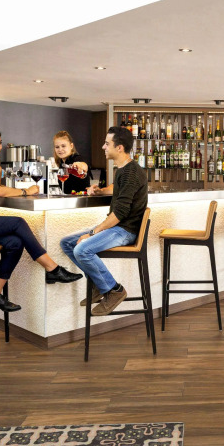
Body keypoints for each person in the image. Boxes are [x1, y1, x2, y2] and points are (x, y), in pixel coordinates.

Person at [0, 127, 83, 312]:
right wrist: (27, 190)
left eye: (0, 143)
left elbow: (0, 192)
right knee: (17, 222)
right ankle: (52, 268)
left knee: (14, 243)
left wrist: (21, 191)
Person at [60, 126, 148, 316]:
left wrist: (93, 233)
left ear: (119, 148)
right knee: (67, 243)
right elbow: (118, 188)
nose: (103, 147)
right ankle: (98, 285)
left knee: (82, 249)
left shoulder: (131, 172)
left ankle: (114, 290)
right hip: (119, 227)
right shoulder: (124, 170)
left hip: (125, 230)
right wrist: (101, 191)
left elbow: (120, 213)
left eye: (107, 144)